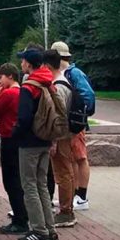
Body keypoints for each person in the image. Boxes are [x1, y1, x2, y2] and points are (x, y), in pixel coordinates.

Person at [13, 47, 57, 240]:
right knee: (42, 185)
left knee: (29, 185)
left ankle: (39, 230)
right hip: (45, 138)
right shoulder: (48, 82)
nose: (21, 63)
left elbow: (24, 117)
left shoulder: (29, 86)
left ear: (29, 64)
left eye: (23, 61)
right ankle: (50, 228)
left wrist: (15, 134)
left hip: (29, 142)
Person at [51, 40, 94, 211]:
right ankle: (73, 193)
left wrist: (80, 115)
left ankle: (81, 196)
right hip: (70, 124)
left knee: (80, 157)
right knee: (72, 158)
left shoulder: (73, 73)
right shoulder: (66, 73)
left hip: (75, 124)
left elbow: (88, 96)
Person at [0, 63, 28, 234]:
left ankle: (19, 220)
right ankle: (23, 214)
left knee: (11, 180)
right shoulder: (22, 92)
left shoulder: (9, 93)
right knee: (20, 178)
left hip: (8, 137)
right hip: (20, 139)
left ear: (10, 76)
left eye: (1, 77)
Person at [46, 49, 77, 229]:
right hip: (66, 134)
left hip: (61, 136)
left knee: (63, 173)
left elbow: (60, 116)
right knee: (66, 171)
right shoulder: (64, 82)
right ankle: (67, 209)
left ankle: (66, 212)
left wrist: (54, 141)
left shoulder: (59, 86)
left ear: (47, 65)